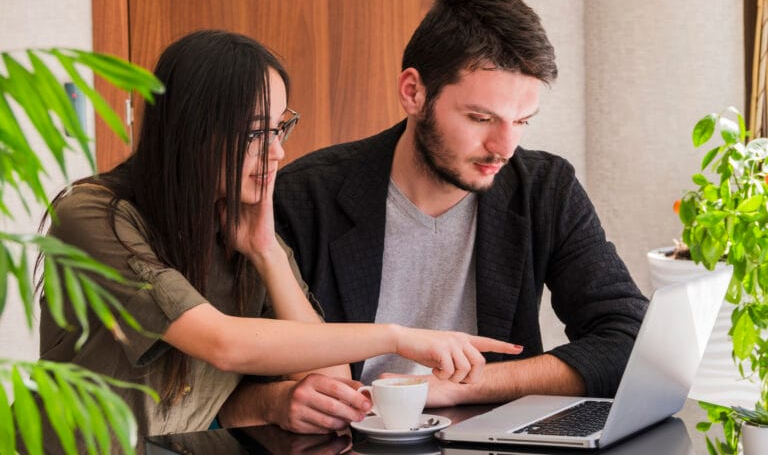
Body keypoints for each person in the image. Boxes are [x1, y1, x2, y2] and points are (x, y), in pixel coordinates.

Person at [36, 29, 521, 453]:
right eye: (254, 135)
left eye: (280, 128)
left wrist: (267, 253)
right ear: (189, 134)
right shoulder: (94, 213)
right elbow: (222, 343)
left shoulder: (244, 226)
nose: (278, 152)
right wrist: (399, 337)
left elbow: (335, 381)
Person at [222, 0, 649, 431]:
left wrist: (466, 385)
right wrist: (276, 401)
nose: (504, 147)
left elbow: (628, 341)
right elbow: (220, 383)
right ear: (413, 92)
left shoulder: (544, 189)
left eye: (521, 121)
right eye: (480, 119)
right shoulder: (304, 197)